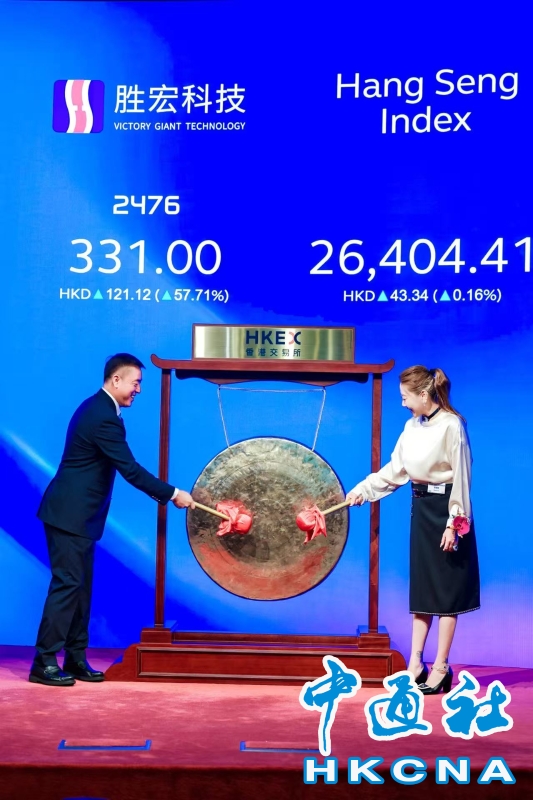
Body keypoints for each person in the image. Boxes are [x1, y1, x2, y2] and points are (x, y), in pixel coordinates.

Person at [30, 354, 195, 687]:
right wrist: (173, 493)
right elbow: (130, 470)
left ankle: (75, 658)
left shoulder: (102, 410)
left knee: (80, 589)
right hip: (69, 514)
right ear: (115, 380)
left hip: (80, 517)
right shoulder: (101, 416)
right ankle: (44, 662)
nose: (139, 389)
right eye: (136, 382)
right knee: (68, 586)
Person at [347, 366, 480, 695]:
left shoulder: (452, 425)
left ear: (423, 395)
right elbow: (395, 471)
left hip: (447, 512)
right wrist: (363, 490)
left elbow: (462, 478)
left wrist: (455, 524)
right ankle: (416, 664)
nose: (403, 403)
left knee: (447, 595)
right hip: (421, 511)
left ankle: (441, 666)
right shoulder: (410, 427)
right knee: (423, 593)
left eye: (405, 397)